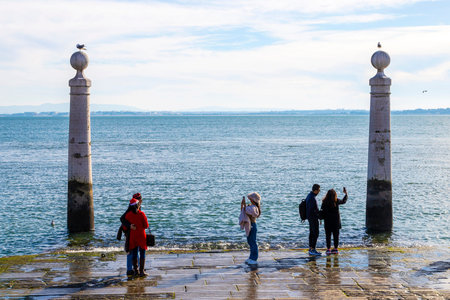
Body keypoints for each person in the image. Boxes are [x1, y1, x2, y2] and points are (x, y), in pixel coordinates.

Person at [124, 195, 149, 277]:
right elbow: (146, 225)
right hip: (141, 236)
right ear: (138, 205)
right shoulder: (141, 214)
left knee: (134, 253)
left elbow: (124, 226)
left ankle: (136, 271)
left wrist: (131, 227)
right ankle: (142, 271)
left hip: (133, 236)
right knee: (142, 253)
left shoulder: (128, 215)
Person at [120, 193, 143, 276]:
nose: (141, 201)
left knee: (135, 250)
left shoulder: (137, 207)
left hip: (135, 233)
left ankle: (137, 268)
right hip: (130, 233)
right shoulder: (131, 208)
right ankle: (130, 269)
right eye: (140, 199)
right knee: (131, 250)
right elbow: (122, 218)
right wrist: (130, 226)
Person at [320, 188, 348, 255]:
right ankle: (335, 249)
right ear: (335, 195)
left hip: (327, 222)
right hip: (336, 222)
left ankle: (328, 249)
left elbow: (322, 211)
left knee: (328, 236)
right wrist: (346, 194)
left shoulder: (324, 202)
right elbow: (344, 201)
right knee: (336, 236)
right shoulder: (336, 201)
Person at [240, 192, 261, 265]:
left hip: (252, 225)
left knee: (253, 242)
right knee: (250, 241)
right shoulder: (250, 206)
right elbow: (243, 211)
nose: (250, 200)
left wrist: (244, 205)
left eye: (251, 199)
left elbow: (247, 211)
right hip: (250, 225)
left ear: (254, 200)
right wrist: (242, 205)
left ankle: (254, 258)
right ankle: (251, 257)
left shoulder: (254, 208)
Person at [306, 184, 321, 256]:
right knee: (315, 233)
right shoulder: (313, 198)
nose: (319, 191)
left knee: (312, 233)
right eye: (319, 190)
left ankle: (310, 248)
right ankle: (313, 249)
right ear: (315, 190)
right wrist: (320, 215)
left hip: (310, 217)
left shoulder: (309, 195)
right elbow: (314, 210)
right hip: (313, 218)